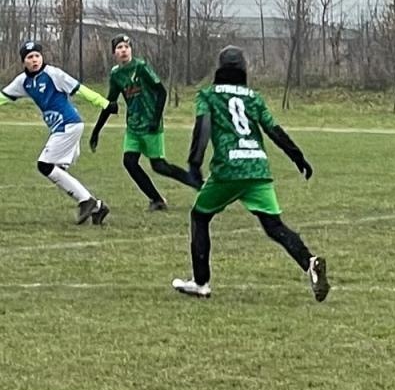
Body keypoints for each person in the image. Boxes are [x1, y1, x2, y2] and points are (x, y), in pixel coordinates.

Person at [173, 46, 329, 302]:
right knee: (274, 226)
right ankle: (310, 262)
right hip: (257, 167)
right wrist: (297, 156)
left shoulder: (208, 95)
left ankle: (201, 283)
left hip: (229, 168)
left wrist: (194, 162)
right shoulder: (253, 97)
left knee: (199, 217)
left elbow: (203, 127)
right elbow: (273, 129)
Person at [1, 39, 111, 224]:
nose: (34, 60)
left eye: (37, 56)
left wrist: (104, 103)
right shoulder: (23, 81)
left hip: (68, 125)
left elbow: (79, 89)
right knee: (56, 170)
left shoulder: (53, 74)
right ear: (23, 61)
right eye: (30, 57)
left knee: (45, 165)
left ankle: (87, 201)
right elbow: (3, 97)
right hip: (60, 128)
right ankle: (98, 208)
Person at [89, 34, 201, 210]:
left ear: (131, 50)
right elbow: (109, 104)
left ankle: (198, 183)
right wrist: (96, 131)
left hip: (150, 125)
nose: (124, 50)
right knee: (129, 162)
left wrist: (155, 119)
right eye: (119, 47)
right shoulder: (116, 74)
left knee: (159, 166)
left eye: (126, 46)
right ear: (114, 53)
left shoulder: (140, 67)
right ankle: (156, 200)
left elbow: (162, 92)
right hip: (133, 127)